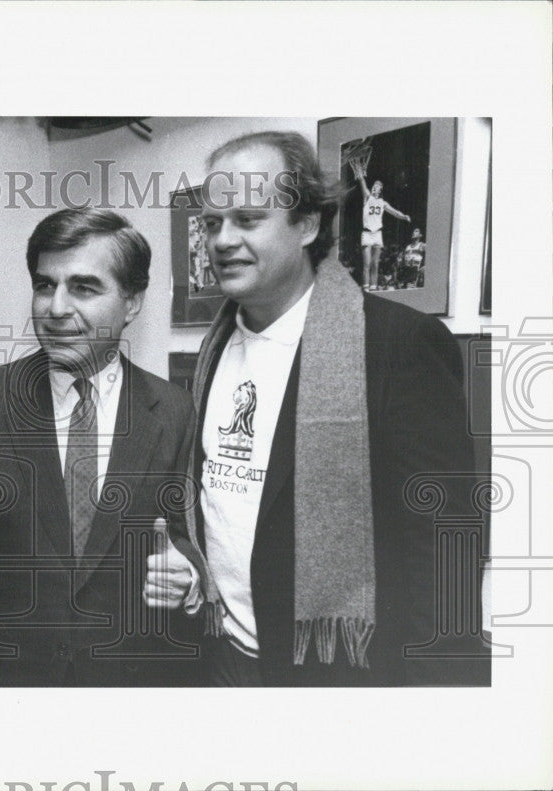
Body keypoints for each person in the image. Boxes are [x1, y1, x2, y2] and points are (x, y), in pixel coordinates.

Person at [160, 131, 485, 686]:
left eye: (248, 218)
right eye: (212, 223)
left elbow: (446, 544)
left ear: (307, 225)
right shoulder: (210, 351)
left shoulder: (398, 344)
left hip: (338, 670)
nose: (221, 239)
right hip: (218, 655)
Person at [0, 208, 201, 686]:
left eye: (83, 288)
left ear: (133, 301)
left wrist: (188, 581)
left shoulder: (174, 410)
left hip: (130, 683)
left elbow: (181, 535)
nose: (56, 308)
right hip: (11, 682)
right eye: (45, 285)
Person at [357, 171, 411, 290]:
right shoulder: (367, 197)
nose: (374, 188)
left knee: (375, 264)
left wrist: (404, 216)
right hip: (367, 233)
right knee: (367, 264)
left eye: (376, 187)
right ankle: (365, 288)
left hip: (377, 234)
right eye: (373, 186)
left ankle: (373, 287)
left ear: (380, 190)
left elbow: (395, 212)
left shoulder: (382, 203)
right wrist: (360, 176)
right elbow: (363, 185)